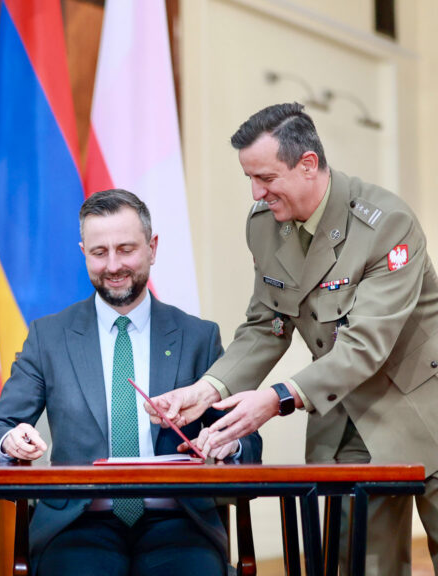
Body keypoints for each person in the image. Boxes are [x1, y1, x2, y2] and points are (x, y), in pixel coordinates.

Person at [149, 102, 438, 575]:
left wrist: (278, 398)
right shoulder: (265, 227)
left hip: (424, 412)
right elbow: (267, 325)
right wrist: (207, 390)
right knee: (363, 566)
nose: (256, 192)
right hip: (349, 420)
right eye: (249, 178)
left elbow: (365, 344)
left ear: (307, 164)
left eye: (265, 178)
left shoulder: (386, 223)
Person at [0, 189, 262, 576]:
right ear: (84, 253)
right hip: (76, 524)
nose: (113, 265)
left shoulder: (197, 337)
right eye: (99, 252)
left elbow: (247, 439)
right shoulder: (49, 337)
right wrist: (10, 440)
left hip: (178, 522)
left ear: (152, 248)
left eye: (126, 249)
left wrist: (230, 443)